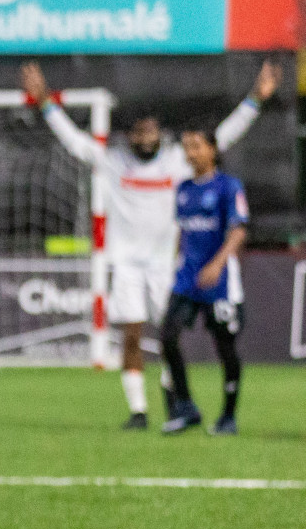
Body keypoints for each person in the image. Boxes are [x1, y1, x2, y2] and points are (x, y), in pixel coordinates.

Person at [21, 61, 276, 429]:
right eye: (137, 133)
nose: (144, 138)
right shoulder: (112, 161)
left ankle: (176, 403)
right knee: (132, 335)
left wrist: (255, 98)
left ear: (159, 133)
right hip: (125, 263)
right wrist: (45, 101)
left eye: (150, 131)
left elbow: (222, 137)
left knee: (171, 339)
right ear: (128, 136)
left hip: (167, 265)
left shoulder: (177, 162)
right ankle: (139, 411)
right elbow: (74, 141)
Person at [160, 130, 250, 435]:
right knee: (167, 336)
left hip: (221, 281)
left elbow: (238, 230)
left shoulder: (228, 186)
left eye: (196, 146)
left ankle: (228, 416)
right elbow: (182, 231)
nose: (190, 153)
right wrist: (174, 263)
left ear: (212, 149)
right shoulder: (183, 189)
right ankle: (185, 406)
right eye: (186, 147)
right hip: (187, 280)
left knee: (225, 348)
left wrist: (217, 263)